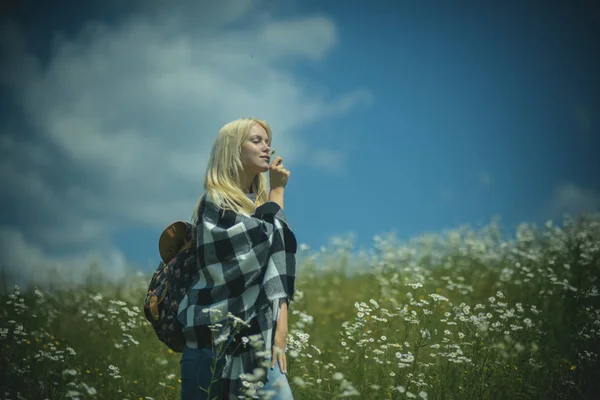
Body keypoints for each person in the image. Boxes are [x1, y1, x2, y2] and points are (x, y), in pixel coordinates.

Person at [178, 117, 297, 399]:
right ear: (233, 149)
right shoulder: (215, 202)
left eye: (268, 142)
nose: (266, 147)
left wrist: (281, 330)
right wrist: (277, 193)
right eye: (256, 140)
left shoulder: (261, 209)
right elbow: (263, 246)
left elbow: (275, 267)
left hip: (258, 345)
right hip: (209, 348)